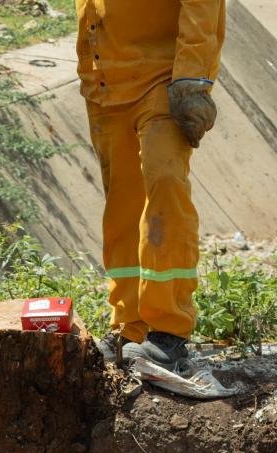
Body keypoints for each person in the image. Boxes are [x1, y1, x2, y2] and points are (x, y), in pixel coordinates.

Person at [76, 0, 226, 373]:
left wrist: (192, 76)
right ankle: (129, 326)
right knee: (122, 205)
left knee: (165, 183)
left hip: (163, 78)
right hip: (105, 82)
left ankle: (168, 330)